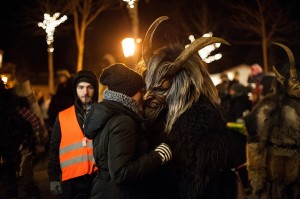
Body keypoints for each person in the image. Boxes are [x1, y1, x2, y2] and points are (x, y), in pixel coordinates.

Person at [140, 16, 244, 198]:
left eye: (163, 84)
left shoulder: (202, 117)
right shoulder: (156, 117)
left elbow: (204, 175)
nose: (151, 94)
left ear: (179, 84)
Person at [84, 63, 172, 199]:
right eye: (139, 90)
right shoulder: (124, 122)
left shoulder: (109, 114)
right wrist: (157, 156)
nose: (142, 96)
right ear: (129, 93)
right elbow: (121, 173)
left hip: (105, 190)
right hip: (120, 194)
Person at [47, 70, 99, 199]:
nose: (85, 92)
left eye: (90, 87)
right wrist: (53, 177)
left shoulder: (103, 114)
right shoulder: (63, 116)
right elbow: (54, 148)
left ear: (95, 90)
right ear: (75, 89)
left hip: (98, 178)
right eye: (81, 87)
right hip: (71, 181)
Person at [0, 80, 42, 198]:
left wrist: (38, 141)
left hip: (22, 149)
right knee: (9, 187)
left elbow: (33, 119)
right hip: (5, 154)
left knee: (27, 183)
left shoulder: (10, 102)